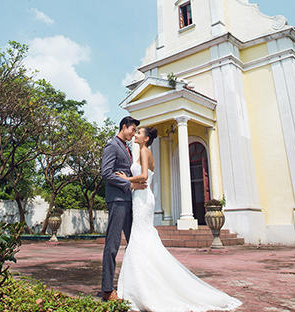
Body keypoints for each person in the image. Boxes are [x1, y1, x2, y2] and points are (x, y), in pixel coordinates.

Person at [116, 126, 242, 311]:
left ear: (146, 139)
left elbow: (143, 176)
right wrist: (134, 185)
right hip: (141, 196)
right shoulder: (146, 151)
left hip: (142, 200)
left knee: (139, 236)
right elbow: (144, 180)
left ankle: (142, 288)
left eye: (139, 133)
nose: (135, 135)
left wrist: (125, 179)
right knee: (142, 237)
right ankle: (142, 285)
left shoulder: (144, 151)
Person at [100, 116, 147, 302]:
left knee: (133, 243)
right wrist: (129, 185)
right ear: (124, 127)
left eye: (136, 131)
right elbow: (106, 173)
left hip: (128, 201)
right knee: (112, 245)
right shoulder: (112, 145)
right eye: (133, 129)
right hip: (117, 199)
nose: (134, 133)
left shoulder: (126, 148)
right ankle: (107, 289)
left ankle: (132, 284)